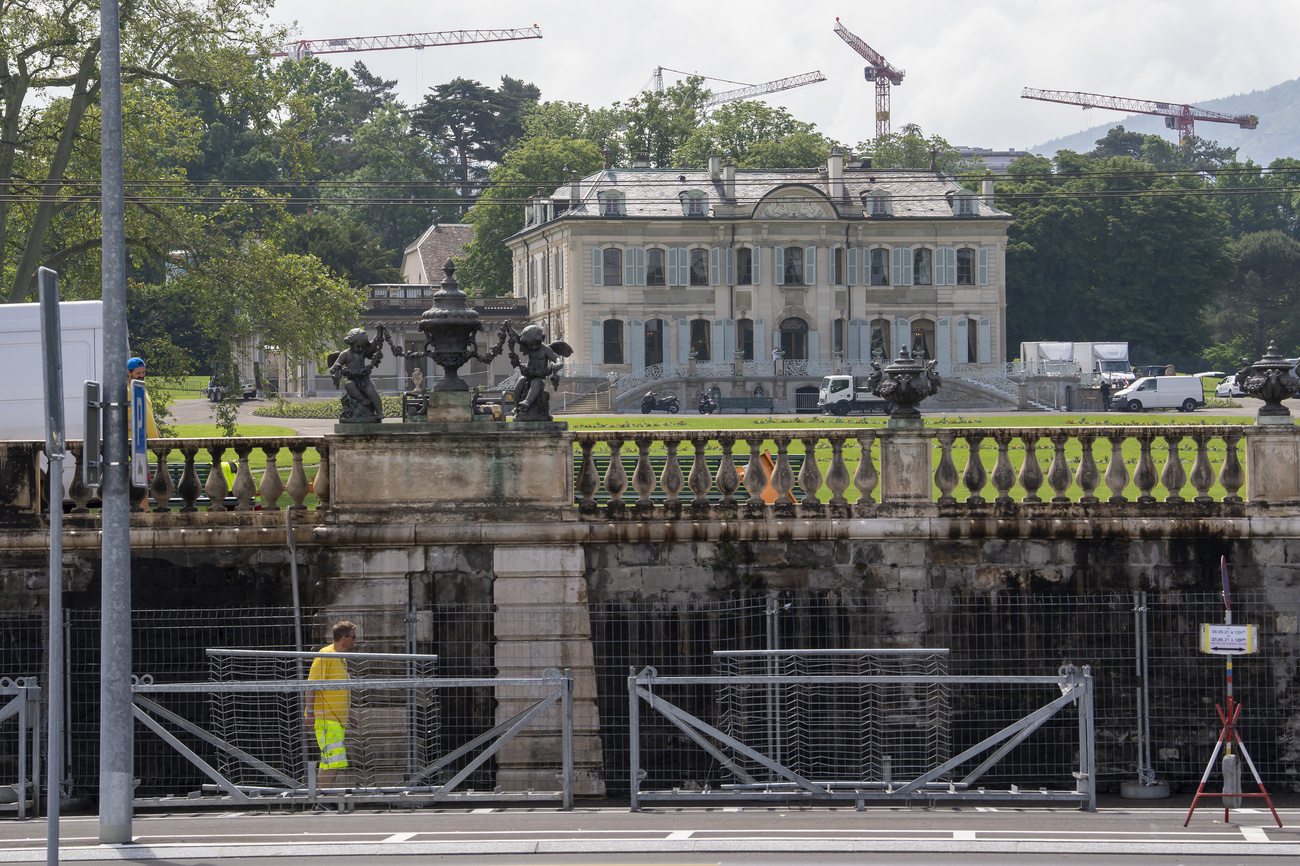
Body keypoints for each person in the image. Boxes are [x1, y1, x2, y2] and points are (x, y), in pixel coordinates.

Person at [306, 621, 357, 790]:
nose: (355, 640)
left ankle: (323, 795)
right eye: (353, 637)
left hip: (335, 719)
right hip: (326, 717)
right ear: (344, 638)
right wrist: (310, 712)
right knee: (332, 758)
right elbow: (311, 685)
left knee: (333, 759)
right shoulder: (325, 655)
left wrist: (348, 713)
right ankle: (323, 796)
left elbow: (337, 690)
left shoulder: (339, 657)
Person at [126, 357, 159, 440]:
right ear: (128, 372)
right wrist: (138, 430)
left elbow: (149, 415)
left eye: (143, 372)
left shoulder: (143, 390)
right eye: (138, 373)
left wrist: (159, 436)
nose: (141, 375)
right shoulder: (124, 390)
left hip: (150, 442)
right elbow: (117, 420)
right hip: (134, 443)